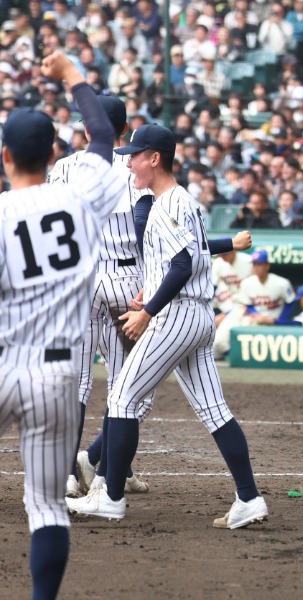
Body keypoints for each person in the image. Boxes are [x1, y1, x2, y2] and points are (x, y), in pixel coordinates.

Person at [65, 123, 268, 529]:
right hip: (197, 314)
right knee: (215, 410)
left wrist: (149, 309)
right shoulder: (178, 202)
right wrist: (150, 291)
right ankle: (249, 499)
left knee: (123, 399)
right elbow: (184, 258)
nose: (130, 163)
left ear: (154, 158)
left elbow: (183, 264)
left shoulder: (170, 202)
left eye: (135, 156)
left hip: (176, 315)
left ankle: (111, 497)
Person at [0, 51, 125, 600]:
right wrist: (73, 74)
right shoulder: (81, 198)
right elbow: (101, 137)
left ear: (5, 156)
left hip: (5, 365)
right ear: (53, 152)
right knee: (47, 506)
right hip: (56, 378)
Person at [47, 91, 152, 500]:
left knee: (76, 384)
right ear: (124, 129)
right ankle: (108, 469)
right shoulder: (133, 168)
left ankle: (71, 473)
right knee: (131, 385)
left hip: (74, 282)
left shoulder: (64, 167)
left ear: (87, 128)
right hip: (125, 282)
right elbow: (146, 231)